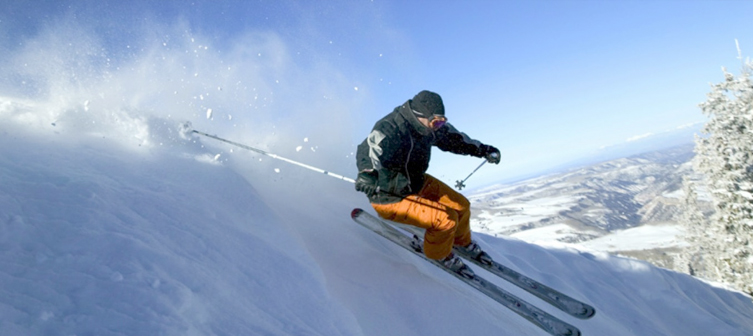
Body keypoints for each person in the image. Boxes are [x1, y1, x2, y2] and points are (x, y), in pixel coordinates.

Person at [355, 90, 501, 277]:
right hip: (389, 194)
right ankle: (440, 255)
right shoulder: (391, 127)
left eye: (442, 122)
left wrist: (483, 150)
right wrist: (367, 174)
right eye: (436, 122)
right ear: (420, 116)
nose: (438, 127)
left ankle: (461, 242)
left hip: (416, 182)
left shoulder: (430, 129)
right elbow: (367, 149)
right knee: (445, 219)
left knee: (461, 206)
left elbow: (455, 140)